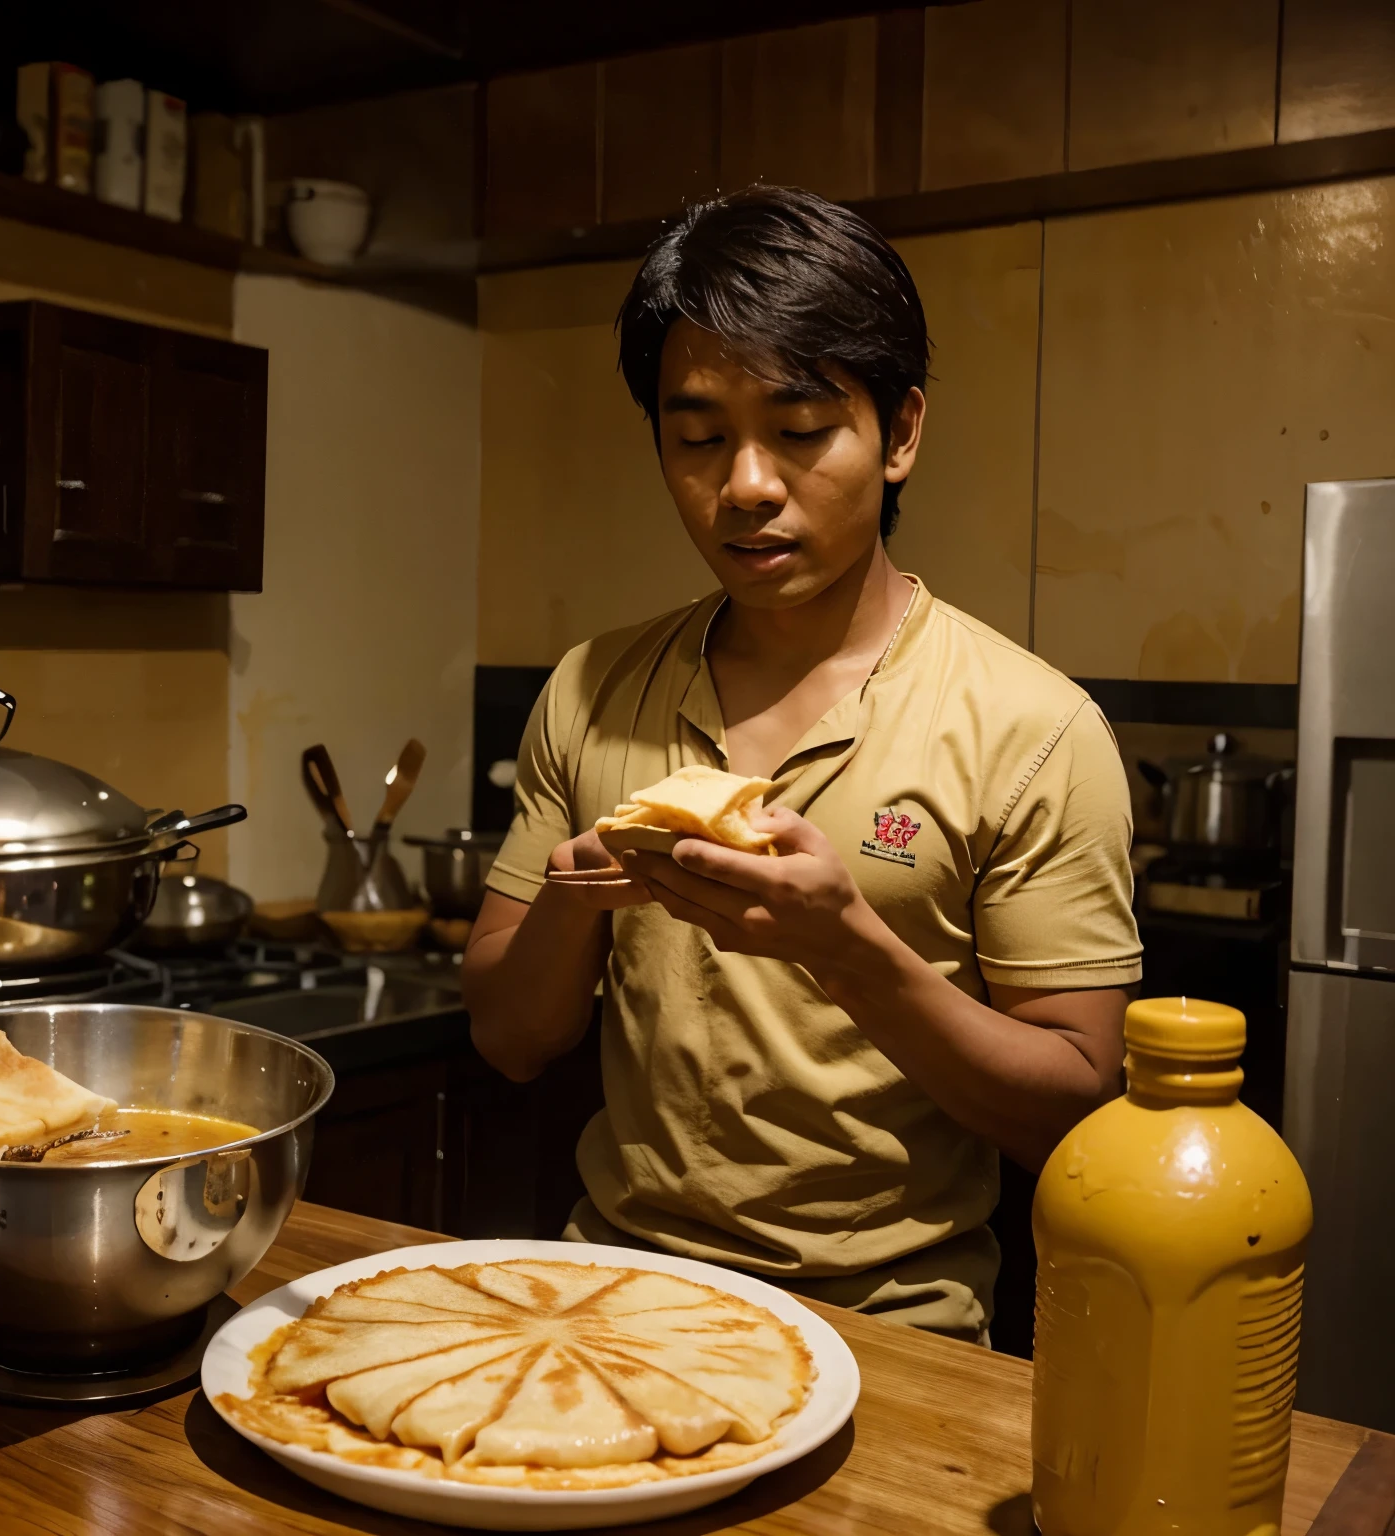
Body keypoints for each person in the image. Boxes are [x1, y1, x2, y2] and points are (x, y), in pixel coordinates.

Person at [462, 185, 1141, 1342]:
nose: (746, 486)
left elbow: (1079, 1113)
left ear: (902, 434)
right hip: (616, 1297)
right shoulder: (591, 689)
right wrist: (581, 892)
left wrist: (846, 944)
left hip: (895, 1327)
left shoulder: (1035, 728)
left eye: (801, 429)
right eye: (697, 437)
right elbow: (509, 1040)